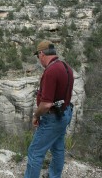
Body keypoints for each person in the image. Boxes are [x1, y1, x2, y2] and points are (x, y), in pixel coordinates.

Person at [24, 40, 74, 178]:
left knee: (35, 152)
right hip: (65, 113)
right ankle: (54, 175)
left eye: (37, 56)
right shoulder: (66, 67)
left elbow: (46, 104)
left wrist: (36, 115)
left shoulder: (51, 71)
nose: (38, 59)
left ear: (41, 54)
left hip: (52, 118)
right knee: (58, 149)